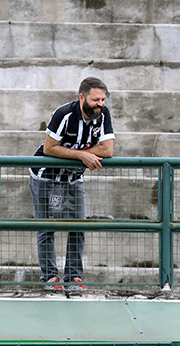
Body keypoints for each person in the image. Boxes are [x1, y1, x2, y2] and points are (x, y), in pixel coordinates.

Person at [29, 77, 115, 291]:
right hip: (45, 177)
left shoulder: (102, 115)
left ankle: (73, 278)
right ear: (81, 97)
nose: (100, 104)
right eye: (96, 99)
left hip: (73, 178)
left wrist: (79, 156)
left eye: (103, 99)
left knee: (79, 226)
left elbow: (108, 149)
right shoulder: (64, 114)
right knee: (46, 228)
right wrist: (81, 157)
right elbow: (50, 148)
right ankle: (50, 278)